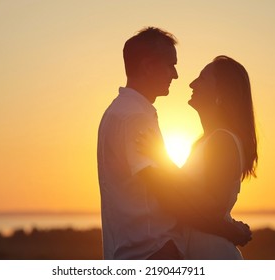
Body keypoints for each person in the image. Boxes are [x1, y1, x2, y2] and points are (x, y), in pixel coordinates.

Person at [97, 26, 251, 260]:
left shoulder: (129, 112)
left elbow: (180, 189)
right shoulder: (134, 116)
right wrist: (228, 229)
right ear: (148, 66)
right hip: (152, 252)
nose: (177, 75)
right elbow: (167, 193)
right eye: (171, 65)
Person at [137, 55, 258, 259]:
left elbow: (210, 208)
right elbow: (195, 197)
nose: (192, 83)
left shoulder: (222, 141)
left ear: (220, 93)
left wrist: (161, 162)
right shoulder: (205, 142)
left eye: (202, 79)